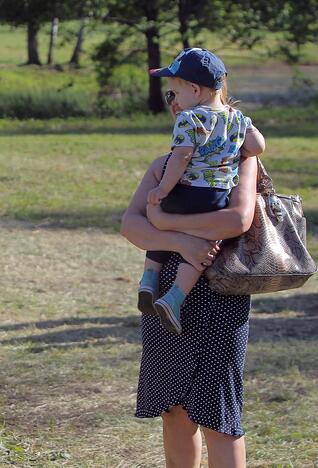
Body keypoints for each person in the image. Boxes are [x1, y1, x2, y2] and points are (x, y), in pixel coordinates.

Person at [120, 72, 265, 465]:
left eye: (177, 92)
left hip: (221, 294)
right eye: (170, 94)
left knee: (220, 414)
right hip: (166, 300)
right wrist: (180, 240)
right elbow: (131, 224)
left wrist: (165, 223)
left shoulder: (240, 161)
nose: (173, 102)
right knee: (174, 411)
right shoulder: (163, 166)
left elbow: (236, 220)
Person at [136, 48, 265, 335]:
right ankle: (174, 297)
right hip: (215, 199)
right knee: (202, 245)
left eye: (174, 93)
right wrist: (239, 134)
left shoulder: (190, 119)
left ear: (194, 89)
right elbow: (256, 148)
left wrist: (162, 189)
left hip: (186, 191)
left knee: (167, 223)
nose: (174, 101)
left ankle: (148, 279)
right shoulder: (237, 119)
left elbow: (181, 157)